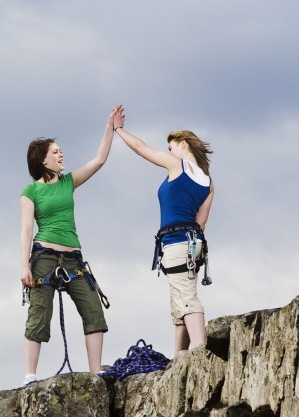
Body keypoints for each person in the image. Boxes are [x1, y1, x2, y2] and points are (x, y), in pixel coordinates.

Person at [19, 106, 121, 386]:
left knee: (93, 310)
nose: (61, 154)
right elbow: (26, 229)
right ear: (42, 160)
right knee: (39, 313)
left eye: (60, 150)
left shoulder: (68, 182)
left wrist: (110, 127)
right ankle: (30, 376)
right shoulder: (31, 191)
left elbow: (99, 160)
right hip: (44, 257)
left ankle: (95, 373)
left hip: (73, 259)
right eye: (55, 152)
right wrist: (24, 266)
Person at [113, 107, 214, 357]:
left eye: (170, 147)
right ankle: (179, 356)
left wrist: (119, 130)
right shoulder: (208, 181)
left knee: (186, 297)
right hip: (192, 243)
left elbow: (141, 148)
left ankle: (199, 350)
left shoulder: (177, 165)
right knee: (179, 299)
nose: (168, 151)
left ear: (181, 144)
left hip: (176, 242)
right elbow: (201, 223)